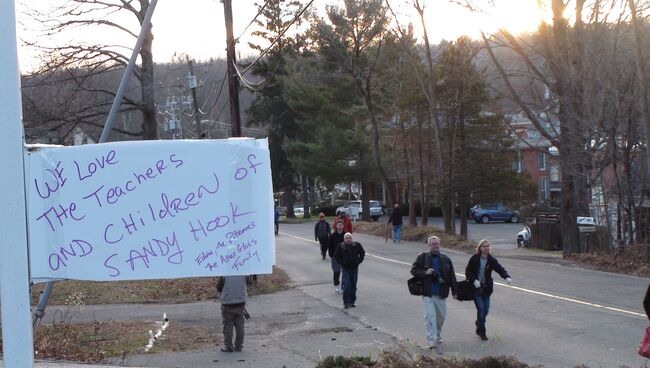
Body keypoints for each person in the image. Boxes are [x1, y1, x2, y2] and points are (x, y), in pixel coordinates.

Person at [410, 235, 457, 349]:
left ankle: (437, 334)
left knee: (441, 317)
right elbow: (413, 270)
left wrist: (455, 291)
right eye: (433, 244)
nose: (435, 246)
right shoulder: (422, 257)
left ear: (439, 245)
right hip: (428, 293)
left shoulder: (446, 259)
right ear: (428, 245)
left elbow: (452, 276)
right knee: (430, 317)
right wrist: (425, 272)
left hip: (441, 293)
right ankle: (431, 341)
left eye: (437, 243)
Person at [464, 239, 512, 341]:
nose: (486, 248)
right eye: (483, 246)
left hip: (487, 289)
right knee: (481, 309)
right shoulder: (475, 259)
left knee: (486, 310)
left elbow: (500, 269)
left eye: (487, 246)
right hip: (476, 289)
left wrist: (506, 277)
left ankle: (478, 322)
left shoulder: (491, 260)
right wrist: (474, 280)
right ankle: (482, 332)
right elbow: (468, 272)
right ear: (480, 248)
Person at [334, 232, 365, 309]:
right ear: (344, 239)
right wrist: (342, 263)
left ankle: (352, 301)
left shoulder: (357, 245)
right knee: (346, 285)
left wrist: (358, 261)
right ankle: (346, 302)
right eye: (346, 238)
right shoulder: (340, 246)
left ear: (352, 239)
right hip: (345, 269)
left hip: (354, 268)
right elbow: (336, 256)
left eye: (350, 238)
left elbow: (362, 253)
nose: (348, 240)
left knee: (353, 285)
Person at [217, 275, 248, 352]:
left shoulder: (224, 275)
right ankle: (239, 345)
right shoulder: (243, 274)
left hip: (227, 304)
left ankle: (228, 346)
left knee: (228, 327)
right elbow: (247, 283)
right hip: (240, 303)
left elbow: (219, 287)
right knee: (240, 326)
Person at [328, 221, 345, 293]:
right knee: (336, 271)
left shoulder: (346, 235)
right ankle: (336, 285)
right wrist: (331, 255)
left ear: (343, 226)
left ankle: (344, 286)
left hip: (345, 257)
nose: (340, 226)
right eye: (338, 225)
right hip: (335, 257)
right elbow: (330, 246)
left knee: (345, 272)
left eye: (341, 225)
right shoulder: (332, 236)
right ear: (336, 226)